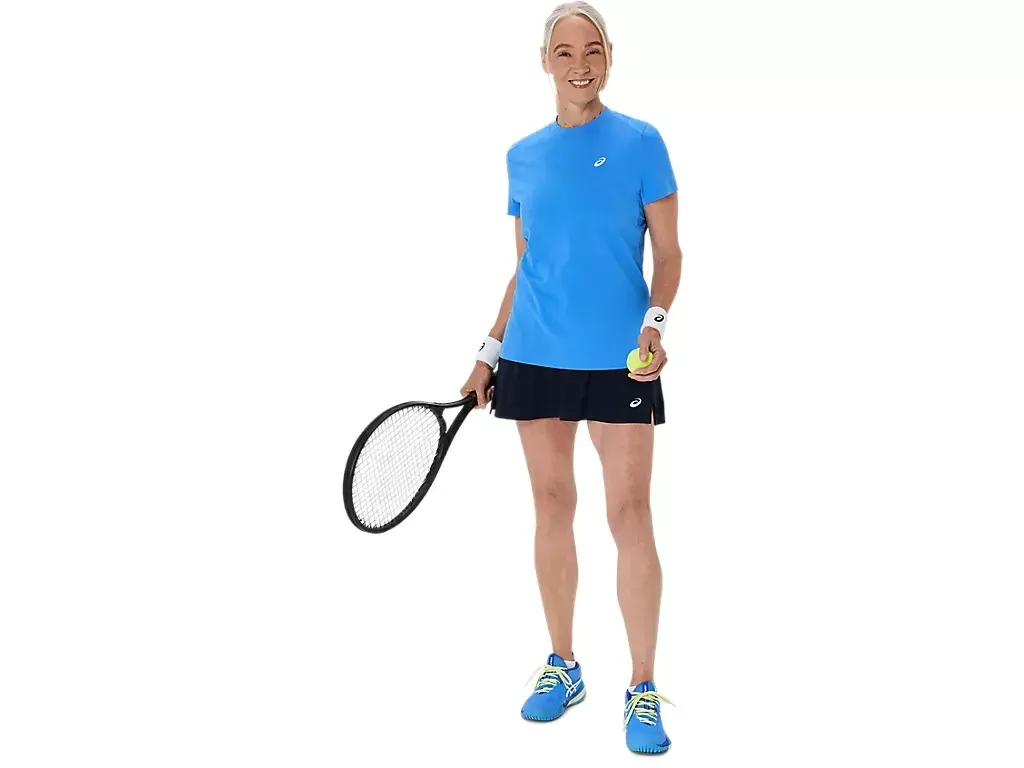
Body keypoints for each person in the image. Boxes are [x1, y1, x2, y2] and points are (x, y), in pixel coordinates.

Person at [460, 1, 682, 755]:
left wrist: (655, 327)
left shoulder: (642, 143)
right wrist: (489, 351)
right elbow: (528, 267)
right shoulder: (522, 156)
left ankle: (643, 686)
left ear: (610, 55)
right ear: (545, 62)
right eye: (565, 51)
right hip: (534, 354)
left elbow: (670, 255)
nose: (580, 64)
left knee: (630, 513)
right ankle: (563, 665)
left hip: (621, 359)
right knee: (552, 505)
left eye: (593, 50)